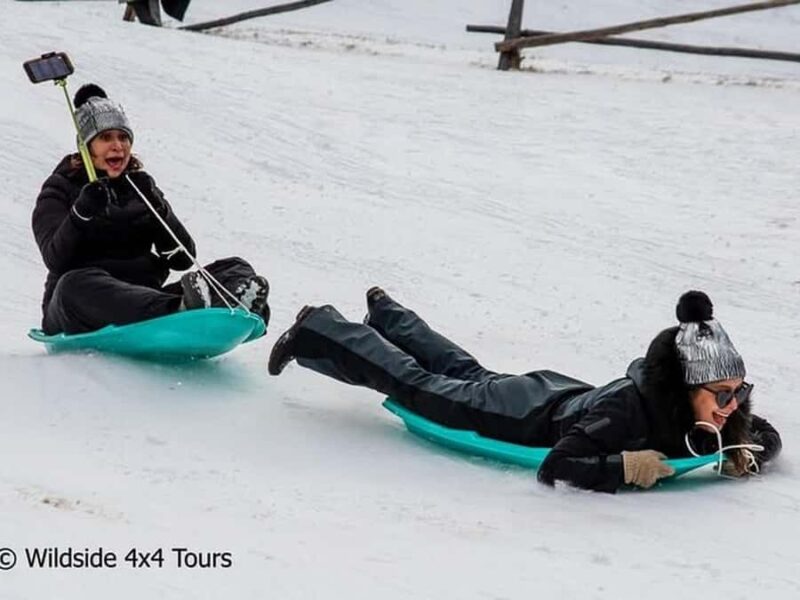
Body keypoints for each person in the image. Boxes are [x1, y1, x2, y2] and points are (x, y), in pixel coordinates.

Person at [267, 288, 781, 493]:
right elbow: (557, 464)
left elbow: (765, 434)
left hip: (556, 393)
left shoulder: (715, 410)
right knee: (418, 386)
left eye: (738, 393)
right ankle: (322, 328)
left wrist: (746, 450)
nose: (730, 405)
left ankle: (389, 315)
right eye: (720, 394)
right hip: (521, 415)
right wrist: (625, 467)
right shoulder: (629, 412)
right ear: (684, 386)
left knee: (465, 371)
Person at [32, 84, 270, 335]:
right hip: (79, 310)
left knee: (235, 268)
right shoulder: (60, 188)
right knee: (74, 285)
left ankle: (231, 308)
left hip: (147, 301)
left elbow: (183, 259)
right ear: (86, 147)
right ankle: (186, 311)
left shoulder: (139, 186)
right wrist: (82, 212)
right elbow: (55, 258)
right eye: (105, 138)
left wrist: (158, 207)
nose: (118, 146)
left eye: (123, 137)